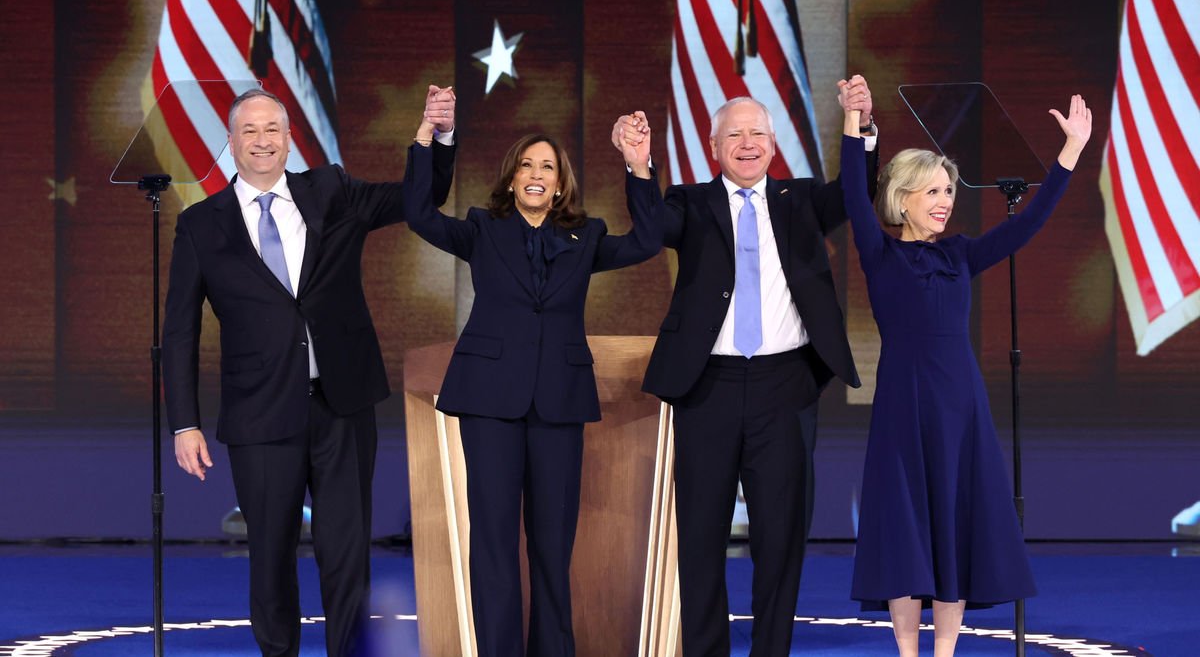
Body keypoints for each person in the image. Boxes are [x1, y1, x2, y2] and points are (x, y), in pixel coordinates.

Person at [163, 85, 458, 657]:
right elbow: (180, 331)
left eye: (272, 129)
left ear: (289, 138)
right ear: (230, 142)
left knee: (346, 554)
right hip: (259, 414)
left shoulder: (332, 191)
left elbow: (421, 199)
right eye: (249, 131)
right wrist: (184, 423)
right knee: (270, 557)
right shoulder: (202, 224)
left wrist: (433, 138)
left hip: (342, 404)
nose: (262, 141)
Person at [611, 77, 878, 656]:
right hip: (707, 385)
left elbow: (858, 194)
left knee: (780, 538)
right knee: (701, 535)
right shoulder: (689, 203)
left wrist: (857, 125)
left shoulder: (804, 201)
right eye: (735, 134)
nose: (748, 142)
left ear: (774, 144)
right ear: (714, 146)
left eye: (758, 132)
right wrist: (638, 167)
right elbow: (651, 231)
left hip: (785, 386)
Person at [839, 93, 1092, 656]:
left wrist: (1070, 152)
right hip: (903, 406)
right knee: (907, 534)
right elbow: (855, 191)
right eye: (932, 191)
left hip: (960, 408)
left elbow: (1027, 224)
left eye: (949, 191)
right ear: (902, 199)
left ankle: (945, 652)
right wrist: (852, 124)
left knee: (953, 525)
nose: (945, 202)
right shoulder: (879, 252)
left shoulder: (960, 255)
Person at [403, 112, 663, 656]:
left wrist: (638, 166)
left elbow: (647, 243)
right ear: (511, 178)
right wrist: (427, 138)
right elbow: (419, 215)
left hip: (558, 404)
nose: (536, 173)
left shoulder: (585, 235)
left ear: (561, 181)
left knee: (552, 544)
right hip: (489, 401)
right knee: (495, 542)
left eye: (547, 165)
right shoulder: (481, 228)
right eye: (526, 165)